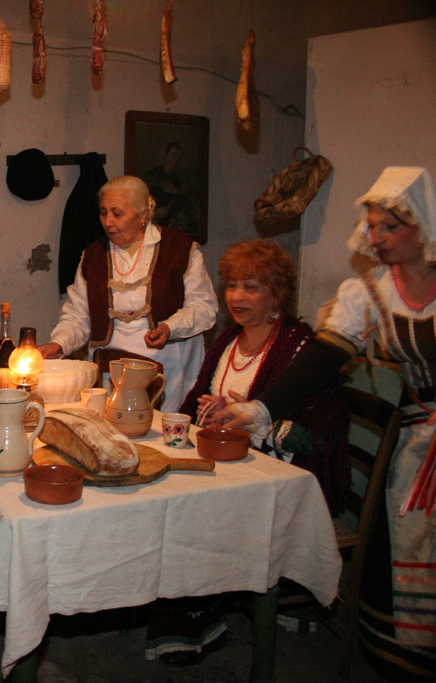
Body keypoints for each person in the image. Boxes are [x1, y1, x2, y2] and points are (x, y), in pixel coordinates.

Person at [212, 167, 436, 682]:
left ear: (423, 225)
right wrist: (262, 409)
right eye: (372, 226)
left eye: (390, 226)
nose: (377, 237)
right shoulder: (371, 293)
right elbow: (320, 361)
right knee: (409, 553)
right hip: (420, 437)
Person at [143, 239, 350, 666]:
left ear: (277, 294)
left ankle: (198, 619)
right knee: (164, 494)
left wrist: (257, 421)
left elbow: (319, 440)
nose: (237, 296)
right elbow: (195, 405)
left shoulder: (300, 347)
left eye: (251, 287)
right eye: (233, 285)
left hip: (288, 481)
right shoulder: (228, 341)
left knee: (193, 513)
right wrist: (209, 413)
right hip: (231, 468)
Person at [38, 175, 218, 412]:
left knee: (161, 430)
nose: (108, 222)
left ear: (143, 214)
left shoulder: (180, 249)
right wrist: (59, 344)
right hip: (110, 371)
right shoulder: (93, 256)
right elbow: (77, 316)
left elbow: (204, 307)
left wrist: (170, 327)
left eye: (117, 213)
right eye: (103, 212)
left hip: (169, 367)